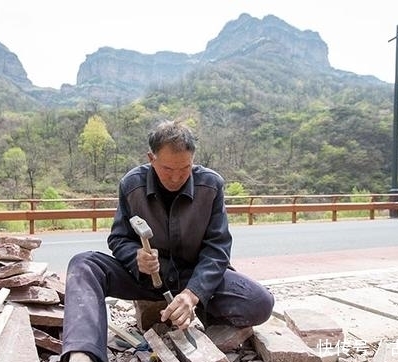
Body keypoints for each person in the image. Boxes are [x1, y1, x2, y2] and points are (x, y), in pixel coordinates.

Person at [61, 120, 274, 362]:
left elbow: (217, 249)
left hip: (193, 276)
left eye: (184, 168)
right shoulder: (132, 185)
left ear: (193, 159)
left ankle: (197, 310)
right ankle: (83, 353)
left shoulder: (211, 186)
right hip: (147, 278)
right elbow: (119, 238)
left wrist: (193, 293)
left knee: (260, 302)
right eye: (167, 169)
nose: (175, 178)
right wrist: (136, 258)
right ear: (151, 158)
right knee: (84, 265)